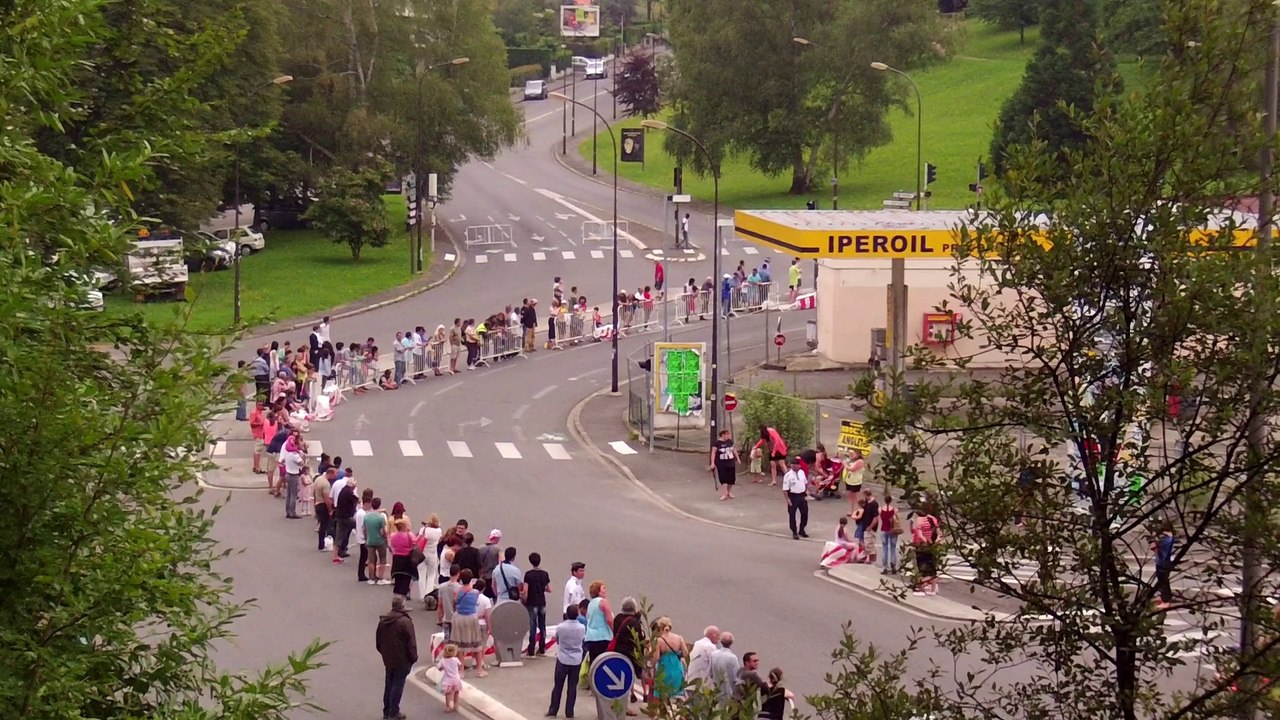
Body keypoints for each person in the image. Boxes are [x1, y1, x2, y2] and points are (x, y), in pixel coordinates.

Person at [375, 595, 417, 720]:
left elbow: (378, 641)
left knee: (389, 683)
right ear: (402, 606)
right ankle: (394, 711)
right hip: (402, 658)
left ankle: (387, 710)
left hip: (388, 657)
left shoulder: (383, 621)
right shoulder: (405, 622)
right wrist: (413, 657)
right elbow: (411, 643)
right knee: (397, 685)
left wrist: (384, 653)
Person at [547, 605, 587, 718]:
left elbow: (557, 640)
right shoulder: (582, 628)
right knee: (572, 687)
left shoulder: (561, 627)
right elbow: (583, 640)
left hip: (563, 658)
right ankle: (569, 712)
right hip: (576, 660)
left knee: (558, 686)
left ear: (567, 615)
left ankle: (553, 710)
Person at [452, 570, 488, 677]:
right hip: (472, 617)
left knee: (460, 644)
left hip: (459, 617)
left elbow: (454, 603)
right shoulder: (475, 592)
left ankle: (461, 670)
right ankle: (479, 670)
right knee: (477, 643)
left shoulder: (457, 591)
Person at [649, 616, 687, 700]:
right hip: (677, 668)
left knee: (662, 694)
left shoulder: (659, 640)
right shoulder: (679, 638)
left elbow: (656, 658)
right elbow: (685, 653)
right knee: (677, 693)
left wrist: (652, 669)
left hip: (664, 669)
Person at [523, 552, 552, 656]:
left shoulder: (528, 575)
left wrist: (524, 600)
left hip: (532, 602)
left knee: (533, 625)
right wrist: (542, 587)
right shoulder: (544, 574)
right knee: (542, 625)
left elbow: (525, 590)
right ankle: (542, 648)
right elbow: (549, 589)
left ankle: (531, 649)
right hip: (542, 602)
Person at [583, 580, 614, 664]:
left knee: (594, 662)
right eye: (603, 588)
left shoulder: (590, 604)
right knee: (604, 662)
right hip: (602, 636)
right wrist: (614, 631)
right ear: (599, 591)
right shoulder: (603, 602)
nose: (605, 590)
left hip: (591, 637)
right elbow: (609, 620)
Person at [612, 597, 645, 674]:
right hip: (630, 654)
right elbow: (639, 640)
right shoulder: (635, 622)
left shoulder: (618, 618)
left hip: (617, 651)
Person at [416, 514, 443, 604]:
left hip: (422, 553)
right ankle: (429, 594)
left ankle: (422, 595)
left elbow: (418, 539)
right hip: (432, 554)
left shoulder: (424, 529)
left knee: (421, 574)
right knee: (432, 575)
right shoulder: (439, 531)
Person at [781, 456, 810, 540]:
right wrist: (787, 500)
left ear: (799, 466)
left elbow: (805, 483)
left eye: (795, 465)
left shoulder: (801, 472)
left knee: (805, 513)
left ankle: (802, 530)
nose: (793, 467)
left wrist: (806, 492)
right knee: (792, 514)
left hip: (801, 495)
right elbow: (785, 489)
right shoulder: (788, 475)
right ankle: (794, 531)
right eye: (792, 466)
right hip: (793, 496)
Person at [388, 518, 417, 597]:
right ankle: (402, 602)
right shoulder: (409, 535)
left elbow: (390, 547)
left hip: (396, 558)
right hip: (406, 559)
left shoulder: (393, 535)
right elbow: (415, 543)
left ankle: (396, 600)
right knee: (406, 580)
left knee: (398, 580)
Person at [709, 631, 741, 701]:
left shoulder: (713, 655)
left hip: (716, 690)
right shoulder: (732, 658)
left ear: (721, 641)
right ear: (732, 642)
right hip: (728, 691)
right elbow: (737, 676)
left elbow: (710, 673)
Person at [708, 429, 739, 501]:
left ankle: (729, 492)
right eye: (726, 434)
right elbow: (713, 453)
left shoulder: (730, 442)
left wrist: (737, 458)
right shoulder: (717, 443)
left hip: (730, 462)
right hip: (721, 463)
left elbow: (734, 450)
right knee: (723, 478)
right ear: (722, 435)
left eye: (728, 434)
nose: (728, 436)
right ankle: (724, 493)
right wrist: (712, 463)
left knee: (731, 479)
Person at [365, 497, 390, 585]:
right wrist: (385, 539)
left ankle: (371, 578)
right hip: (379, 540)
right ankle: (381, 578)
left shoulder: (366, 516)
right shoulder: (380, 518)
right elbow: (383, 531)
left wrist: (366, 538)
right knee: (382, 559)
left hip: (370, 540)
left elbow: (364, 529)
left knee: (371, 560)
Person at [1154, 525, 1175, 610]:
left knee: (1163, 580)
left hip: (1163, 561)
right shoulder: (1170, 538)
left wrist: (1155, 542)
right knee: (1163, 580)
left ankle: (1166, 600)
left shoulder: (1166, 539)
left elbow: (1157, 549)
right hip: (1164, 561)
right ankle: (1164, 597)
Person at [880, 493, 902, 574]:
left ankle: (885, 567)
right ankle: (893, 566)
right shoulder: (894, 510)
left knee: (884, 549)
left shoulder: (881, 509)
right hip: (893, 530)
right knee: (893, 548)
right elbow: (897, 519)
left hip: (884, 529)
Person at [478, 529, 503, 600]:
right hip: (492, 576)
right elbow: (502, 561)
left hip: (482, 577)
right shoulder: (498, 549)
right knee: (494, 598)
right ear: (497, 538)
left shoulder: (480, 548)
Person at [438, 643, 463, 713]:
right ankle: (456, 705)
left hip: (448, 680)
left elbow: (439, 668)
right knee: (456, 692)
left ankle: (448, 706)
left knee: (448, 693)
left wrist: (443, 667)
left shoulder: (443, 661)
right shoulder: (455, 659)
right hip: (456, 679)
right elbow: (460, 665)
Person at [844, 450, 866, 517]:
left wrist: (845, 464)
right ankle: (852, 510)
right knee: (850, 496)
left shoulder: (860, 461)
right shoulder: (852, 460)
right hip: (850, 480)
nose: (852, 455)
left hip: (856, 481)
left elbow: (852, 469)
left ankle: (860, 510)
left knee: (856, 496)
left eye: (854, 454)